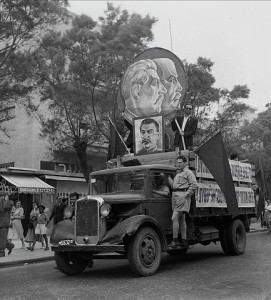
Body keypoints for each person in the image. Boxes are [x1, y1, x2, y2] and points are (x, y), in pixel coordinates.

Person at [121, 59, 166, 124]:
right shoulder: (129, 122)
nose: (164, 90)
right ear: (135, 92)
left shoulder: (153, 125)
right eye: (155, 83)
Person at [168, 155, 198, 248]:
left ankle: (175, 241)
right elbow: (174, 186)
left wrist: (187, 194)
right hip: (176, 196)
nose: (178, 164)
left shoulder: (188, 172)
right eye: (177, 162)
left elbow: (194, 184)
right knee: (181, 219)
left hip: (182, 196)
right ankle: (184, 241)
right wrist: (168, 177)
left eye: (180, 162)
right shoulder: (178, 173)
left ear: (185, 163)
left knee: (174, 218)